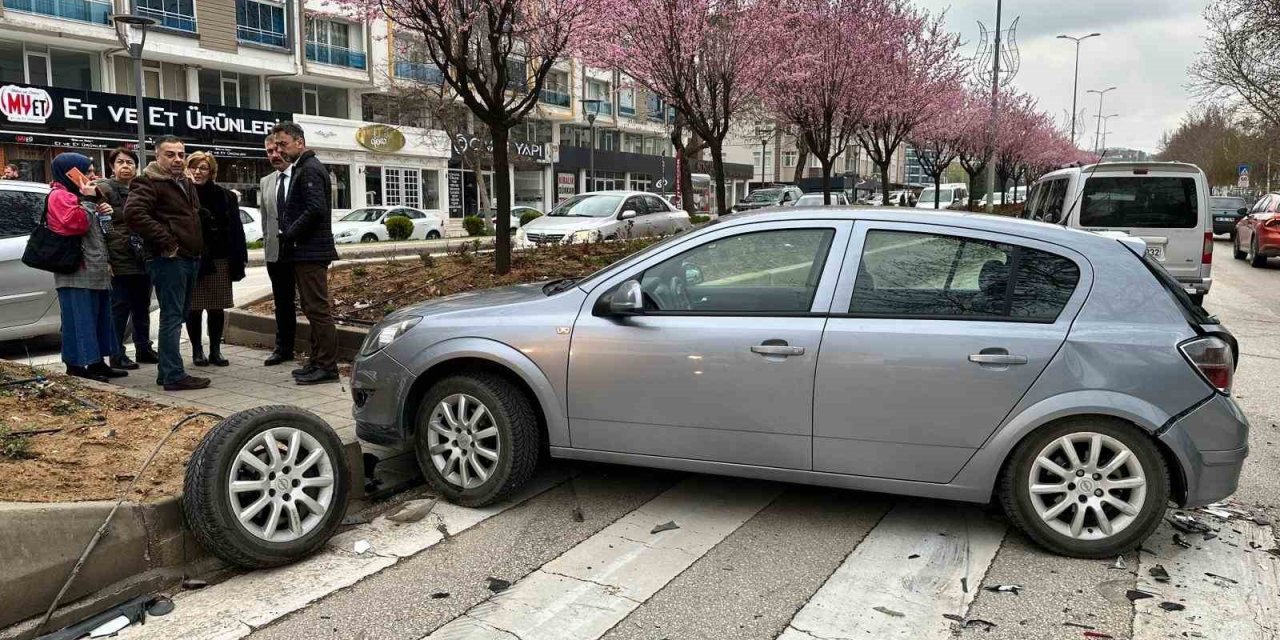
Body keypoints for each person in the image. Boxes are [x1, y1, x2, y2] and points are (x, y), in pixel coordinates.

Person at [124, 136, 211, 391]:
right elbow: (133, 213)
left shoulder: (183, 181)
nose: (177, 159)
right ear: (157, 156)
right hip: (168, 259)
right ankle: (173, 375)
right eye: (170, 154)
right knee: (172, 316)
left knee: (179, 314)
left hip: (189, 257)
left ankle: (167, 371)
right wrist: (167, 241)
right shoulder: (148, 181)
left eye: (181, 154)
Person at [46, 153, 127, 382]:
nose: (92, 176)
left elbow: (102, 232)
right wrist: (90, 202)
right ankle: (77, 365)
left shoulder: (82, 195)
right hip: (76, 269)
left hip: (96, 266)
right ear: (71, 173)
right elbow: (75, 224)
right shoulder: (60, 196)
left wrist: (104, 213)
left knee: (100, 318)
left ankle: (97, 361)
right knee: (80, 319)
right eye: (87, 171)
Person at [273, 121, 339, 385]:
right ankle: (317, 360)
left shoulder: (309, 168)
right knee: (312, 309)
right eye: (276, 145)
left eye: (283, 144)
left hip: (311, 251)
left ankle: (327, 366)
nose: (279, 150)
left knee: (317, 309)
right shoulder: (303, 166)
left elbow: (315, 209)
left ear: (299, 142)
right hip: (305, 251)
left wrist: (290, 233)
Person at [96, 147, 158, 370]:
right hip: (119, 257)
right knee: (120, 308)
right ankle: (116, 354)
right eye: (120, 162)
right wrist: (107, 259)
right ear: (112, 167)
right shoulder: (104, 189)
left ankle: (144, 348)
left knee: (142, 305)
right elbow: (100, 227)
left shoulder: (142, 188)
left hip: (143, 255)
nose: (125, 166)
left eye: (130, 162)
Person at [185, 152, 247, 367]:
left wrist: (240, 258)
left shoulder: (226, 196)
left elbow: (236, 229)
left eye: (203, 168)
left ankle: (215, 350)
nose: (197, 172)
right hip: (193, 257)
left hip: (219, 258)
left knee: (217, 307)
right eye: (193, 167)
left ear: (211, 172)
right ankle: (197, 350)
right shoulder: (182, 193)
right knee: (193, 308)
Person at [258, 134, 295, 366]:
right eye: (269, 151)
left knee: (311, 303)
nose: (274, 155)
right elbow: (265, 220)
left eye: (278, 149)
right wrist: (268, 249)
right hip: (276, 253)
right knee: (282, 302)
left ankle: (319, 353)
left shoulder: (302, 175)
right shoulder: (266, 181)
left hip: (301, 251)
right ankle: (283, 348)